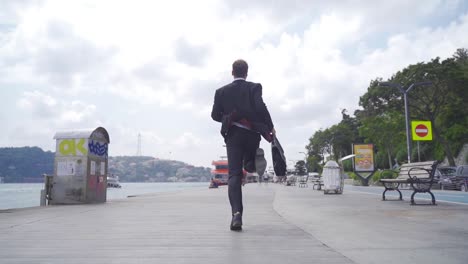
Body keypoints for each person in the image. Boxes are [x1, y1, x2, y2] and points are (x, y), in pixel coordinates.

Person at [211, 59, 275, 231]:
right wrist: (270, 127)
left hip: (233, 135)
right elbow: (261, 107)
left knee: (234, 175)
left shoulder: (221, 92)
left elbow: (215, 115)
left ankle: (236, 214)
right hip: (253, 133)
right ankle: (252, 163)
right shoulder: (254, 88)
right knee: (249, 161)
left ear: (232, 72)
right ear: (246, 73)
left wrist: (228, 116)